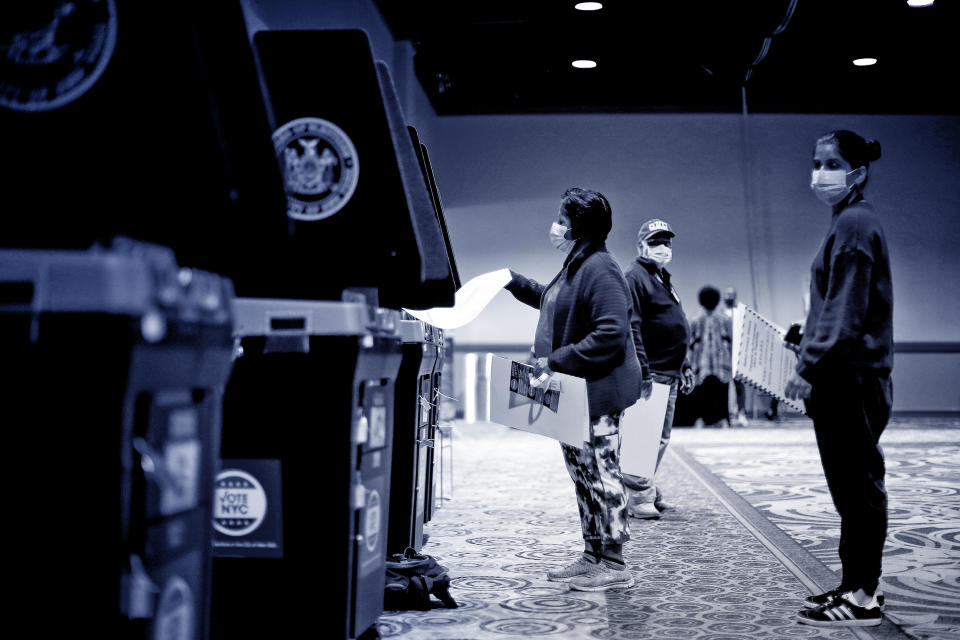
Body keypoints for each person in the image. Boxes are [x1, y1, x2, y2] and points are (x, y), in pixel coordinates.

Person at [504, 187, 642, 592]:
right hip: (573, 393)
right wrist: (514, 283)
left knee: (602, 473)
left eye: (561, 218)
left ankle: (614, 563)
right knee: (582, 474)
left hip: (598, 392)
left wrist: (555, 360)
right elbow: (556, 303)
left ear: (578, 226)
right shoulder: (577, 263)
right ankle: (592, 554)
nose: (556, 225)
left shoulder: (601, 268)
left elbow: (612, 333)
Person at [785, 130, 892, 628]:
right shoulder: (847, 220)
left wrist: (808, 367)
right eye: (816, 161)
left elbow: (847, 310)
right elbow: (835, 306)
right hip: (847, 373)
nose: (820, 172)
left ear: (858, 171)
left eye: (831, 163)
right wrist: (803, 339)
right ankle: (855, 585)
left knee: (859, 486)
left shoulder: (853, 223)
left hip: (850, 378)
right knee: (849, 488)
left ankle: (864, 597)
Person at [621, 219, 694, 519]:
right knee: (645, 435)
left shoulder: (662, 277)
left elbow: (675, 321)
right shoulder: (635, 277)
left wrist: (685, 364)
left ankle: (644, 487)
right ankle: (637, 495)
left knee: (659, 436)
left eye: (666, 242)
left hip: (671, 368)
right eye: (655, 242)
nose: (662, 248)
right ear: (641, 246)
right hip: (653, 370)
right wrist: (643, 370)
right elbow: (633, 326)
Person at [688, 286, 732, 428]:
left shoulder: (696, 319)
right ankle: (716, 418)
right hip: (713, 363)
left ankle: (709, 418)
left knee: (706, 392)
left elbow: (689, 343)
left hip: (707, 363)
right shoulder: (722, 319)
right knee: (715, 392)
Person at [722, 287, 749, 427]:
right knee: (724, 386)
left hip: (738, 354)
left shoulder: (740, 313)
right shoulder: (720, 314)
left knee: (739, 385)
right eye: (726, 294)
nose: (728, 297)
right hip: (725, 354)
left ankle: (741, 413)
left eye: (731, 294)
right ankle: (725, 415)